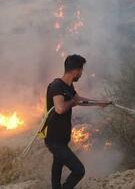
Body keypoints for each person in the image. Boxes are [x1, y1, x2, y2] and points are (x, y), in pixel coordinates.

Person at [44, 54, 111, 189]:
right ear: (75, 71)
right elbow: (60, 108)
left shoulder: (68, 87)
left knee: (57, 166)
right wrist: (72, 102)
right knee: (79, 170)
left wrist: (99, 103)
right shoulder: (57, 86)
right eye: (81, 71)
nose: (81, 74)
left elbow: (79, 100)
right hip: (54, 140)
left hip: (61, 139)